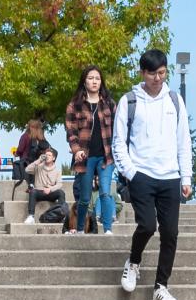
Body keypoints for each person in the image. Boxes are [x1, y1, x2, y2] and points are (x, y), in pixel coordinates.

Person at [112, 48, 193, 300]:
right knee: (147, 225)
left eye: (161, 73)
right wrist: (130, 172)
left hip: (170, 176)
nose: (157, 78)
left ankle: (161, 286)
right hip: (141, 174)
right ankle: (133, 262)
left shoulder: (174, 100)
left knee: (170, 232)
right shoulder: (129, 101)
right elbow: (118, 142)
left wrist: (186, 176)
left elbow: (184, 140)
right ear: (142, 73)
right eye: (152, 73)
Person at [65, 66, 119, 235]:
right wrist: (76, 150)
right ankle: (81, 229)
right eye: (90, 78)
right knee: (85, 198)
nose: (94, 81)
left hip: (106, 156)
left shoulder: (109, 103)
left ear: (101, 81)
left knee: (105, 192)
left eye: (97, 78)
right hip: (85, 158)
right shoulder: (75, 105)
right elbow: (71, 131)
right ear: (84, 80)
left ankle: (108, 229)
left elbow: (119, 128)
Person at [23, 146, 66, 224]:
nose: (47, 156)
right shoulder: (39, 167)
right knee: (32, 192)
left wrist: (51, 189)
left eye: (49, 155)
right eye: (46, 155)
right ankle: (31, 216)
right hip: (39, 192)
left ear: (53, 158)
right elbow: (27, 170)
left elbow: (60, 184)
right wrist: (39, 160)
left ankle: (61, 215)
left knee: (61, 193)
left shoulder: (57, 170)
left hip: (50, 192)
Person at [12, 118, 52, 200]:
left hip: (26, 164)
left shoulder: (25, 136)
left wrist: (16, 153)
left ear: (30, 127)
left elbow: (20, 150)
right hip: (39, 164)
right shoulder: (41, 138)